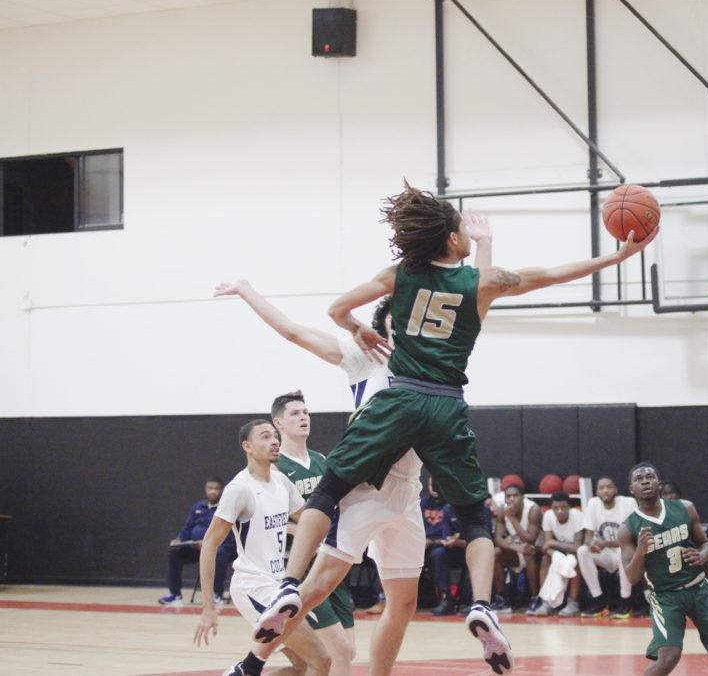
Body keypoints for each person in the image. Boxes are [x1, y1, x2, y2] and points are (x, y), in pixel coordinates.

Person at [250, 186, 657, 675]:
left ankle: (289, 586)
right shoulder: (478, 284)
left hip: (399, 400)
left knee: (329, 488)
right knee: (474, 518)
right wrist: (617, 255)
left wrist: (359, 327)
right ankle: (482, 604)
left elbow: (337, 310)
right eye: (464, 230)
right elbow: (545, 275)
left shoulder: (399, 275)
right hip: (445, 404)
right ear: (451, 236)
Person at [215, 275, 487, 676]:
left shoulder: (433, 365)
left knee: (404, 602)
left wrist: (484, 246)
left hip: (407, 494)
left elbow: (476, 303)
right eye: (402, 317)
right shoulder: (365, 357)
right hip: (364, 487)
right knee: (315, 586)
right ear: (388, 326)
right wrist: (246, 290)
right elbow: (293, 332)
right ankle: (252, 662)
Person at [193, 420, 330, 676]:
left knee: (301, 668)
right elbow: (209, 544)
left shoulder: (281, 482)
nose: (274, 441)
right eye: (265, 437)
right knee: (321, 661)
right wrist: (208, 606)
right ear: (248, 446)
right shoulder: (240, 489)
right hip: (254, 587)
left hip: (280, 587)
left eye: (275, 437)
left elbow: (309, 521)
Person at [619, 463, 708, 676]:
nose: (646, 481)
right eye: (639, 479)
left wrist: (702, 555)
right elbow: (632, 578)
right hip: (665, 596)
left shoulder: (685, 508)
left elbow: (705, 544)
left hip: (700, 588)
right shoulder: (628, 528)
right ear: (632, 488)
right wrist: (641, 550)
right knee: (668, 657)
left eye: (650, 476)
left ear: (659, 483)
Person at [270, 392, 356, 676]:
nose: (303, 417)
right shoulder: (274, 468)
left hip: (332, 561)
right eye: (295, 413)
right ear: (278, 423)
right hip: (300, 569)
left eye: (306, 412)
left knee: (341, 654)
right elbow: (272, 521)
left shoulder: (321, 460)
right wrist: (310, 535)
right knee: (337, 653)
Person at [159, 477, 235, 606]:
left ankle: (216, 595)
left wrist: (209, 544)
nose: (213, 491)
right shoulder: (198, 507)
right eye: (210, 488)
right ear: (206, 490)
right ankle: (175, 594)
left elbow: (229, 532)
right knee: (174, 552)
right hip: (196, 547)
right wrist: (179, 539)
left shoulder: (226, 508)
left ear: (223, 491)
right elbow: (187, 528)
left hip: (221, 547)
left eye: (217, 489)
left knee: (219, 553)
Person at [578, 476, 638, 618]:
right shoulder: (593, 504)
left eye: (609, 487)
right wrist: (591, 544)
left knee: (625, 551)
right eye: (601, 488)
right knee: (582, 551)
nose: (605, 491)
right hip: (605, 554)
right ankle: (598, 601)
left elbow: (632, 539)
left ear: (616, 490)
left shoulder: (628, 503)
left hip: (625, 552)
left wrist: (605, 543)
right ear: (597, 492)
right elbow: (588, 536)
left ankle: (625, 604)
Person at [531, 491, 584, 616]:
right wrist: (555, 554)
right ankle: (546, 602)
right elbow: (546, 546)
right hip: (559, 551)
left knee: (575, 560)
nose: (560, 511)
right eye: (556, 508)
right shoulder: (548, 516)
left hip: (575, 551)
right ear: (551, 509)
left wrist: (553, 544)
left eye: (563, 507)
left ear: (569, 507)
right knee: (545, 559)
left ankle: (573, 603)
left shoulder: (577, 516)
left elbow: (577, 546)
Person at [422, 476, 466, 616]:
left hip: (450, 549)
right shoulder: (423, 502)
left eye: (438, 485)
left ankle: (446, 599)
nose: (434, 489)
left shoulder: (451, 505)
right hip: (425, 545)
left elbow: (449, 536)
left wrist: (434, 542)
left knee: (439, 554)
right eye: (431, 485)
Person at [494, 482, 541, 613]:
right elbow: (497, 539)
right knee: (495, 553)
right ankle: (502, 599)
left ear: (523, 497)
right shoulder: (502, 510)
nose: (512, 499)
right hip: (517, 549)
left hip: (537, 550)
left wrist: (512, 518)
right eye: (508, 496)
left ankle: (535, 598)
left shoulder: (533, 509)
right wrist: (516, 547)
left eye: (515, 495)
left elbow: (530, 539)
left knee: (528, 552)